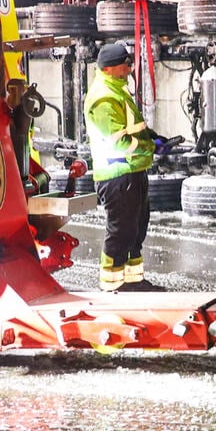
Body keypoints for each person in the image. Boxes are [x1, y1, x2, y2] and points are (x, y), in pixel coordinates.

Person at [83, 43, 170, 291]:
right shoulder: (104, 97)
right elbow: (119, 142)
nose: (129, 69)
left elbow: (133, 128)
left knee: (135, 231)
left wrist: (153, 137)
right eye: (125, 65)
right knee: (121, 233)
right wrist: (151, 147)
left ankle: (133, 281)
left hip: (131, 172)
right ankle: (112, 285)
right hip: (117, 175)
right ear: (109, 68)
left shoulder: (116, 89)